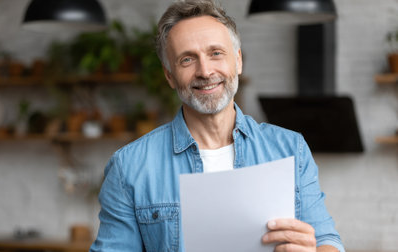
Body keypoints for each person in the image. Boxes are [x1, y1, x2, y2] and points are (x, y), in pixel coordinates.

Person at [90, 0, 345, 251]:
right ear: (169, 75)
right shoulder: (130, 167)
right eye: (187, 59)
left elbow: (327, 241)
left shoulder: (291, 150)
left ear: (238, 61)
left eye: (215, 53)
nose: (205, 70)